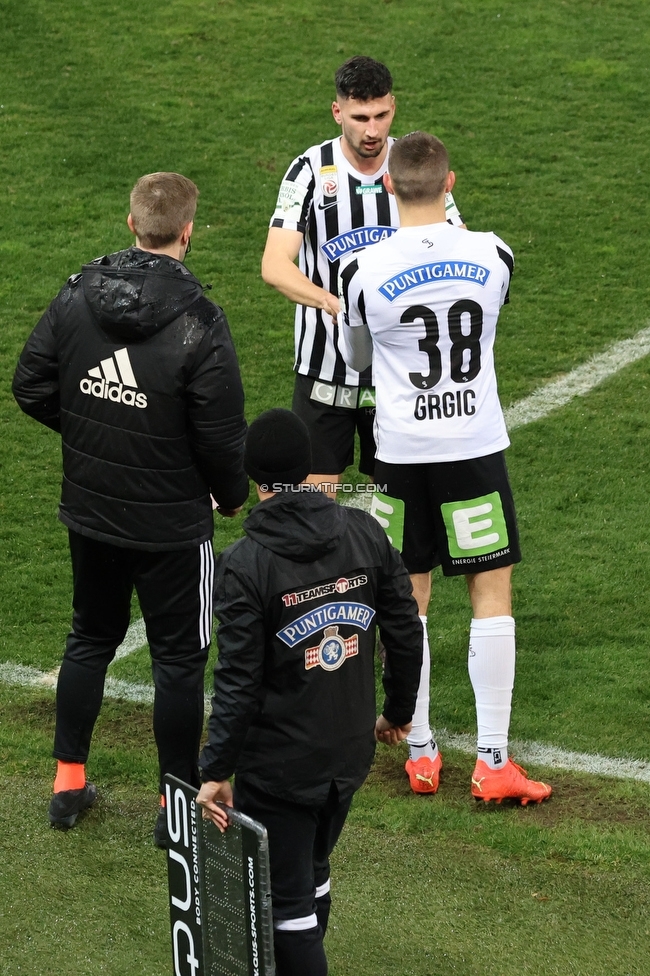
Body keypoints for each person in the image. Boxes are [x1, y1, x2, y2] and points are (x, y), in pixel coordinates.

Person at [12, 172, 249, 840]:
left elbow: (30, 385)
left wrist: (96, 435)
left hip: (91, 510)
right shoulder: (199, 320)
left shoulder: (77, 293)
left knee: (90, 636)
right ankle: (174, 809)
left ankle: (66, 785)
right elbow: (220, 437)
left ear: (131, 224)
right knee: (178, 659)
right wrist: (231, 498)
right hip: (172, 523)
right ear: (188, 230)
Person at [338, 132, 552, 805]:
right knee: (490, 593)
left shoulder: (362, 270)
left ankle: (422, 753)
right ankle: (492, 762)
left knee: (409, 598)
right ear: (450, 182)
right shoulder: (493, 254)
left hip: (397, 451)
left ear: (390, 188)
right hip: (472, 446)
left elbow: (357, 357)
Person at [196, 408, 422, 976]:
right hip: (350, 751)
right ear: (309, 468)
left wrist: (216, 769)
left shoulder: (245, 564)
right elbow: (405, 625)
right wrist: (399, 711)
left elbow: (238, 683)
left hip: (279, 769)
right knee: (314, 867)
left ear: (254, 480)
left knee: (283, 908)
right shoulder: (365, 531)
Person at [261, 56, 464, 493]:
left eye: (381, 115)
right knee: (312, 511)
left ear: (394, 106)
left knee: (399, 518)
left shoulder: (412, 166)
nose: (372, 131)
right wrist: (336, 305)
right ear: (338, 113)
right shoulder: (309, 171)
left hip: (400, 374)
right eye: (359, 118)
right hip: (324, 373)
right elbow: (275, 266)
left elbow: (457, 242)